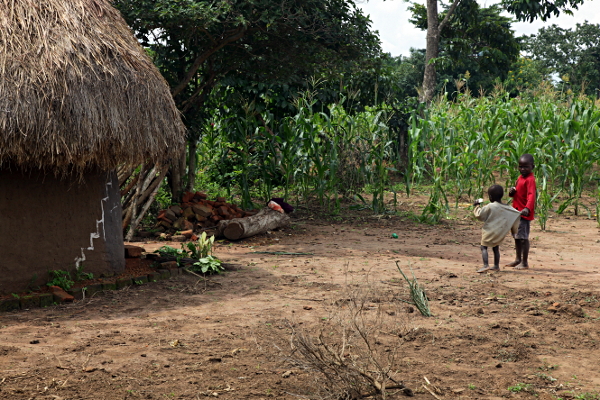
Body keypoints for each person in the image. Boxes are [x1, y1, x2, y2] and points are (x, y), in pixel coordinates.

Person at [473, 185, 522, 273]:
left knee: (483, 247)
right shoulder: (508, 208)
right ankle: (496, 265)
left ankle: (485, 265)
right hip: (500, 232)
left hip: (489, 231)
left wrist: (477, 206)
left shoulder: (491, 206)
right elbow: (516, 214)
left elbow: (479, 215)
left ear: (490, 197)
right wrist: (514, 231)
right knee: (496, 248)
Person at [507, 153, 536, 270]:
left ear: (532, 167)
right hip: (516, 211)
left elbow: (531, 195)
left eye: (526, 167)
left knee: (523, 238)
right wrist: (511, 192)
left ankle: (524, 262)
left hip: (523, 213)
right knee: (517, 237)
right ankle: (518, 259)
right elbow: (516, 193)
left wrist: (527, 208)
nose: (522, 169)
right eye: (520, 166)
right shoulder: (520, 178)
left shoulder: (530, 179)